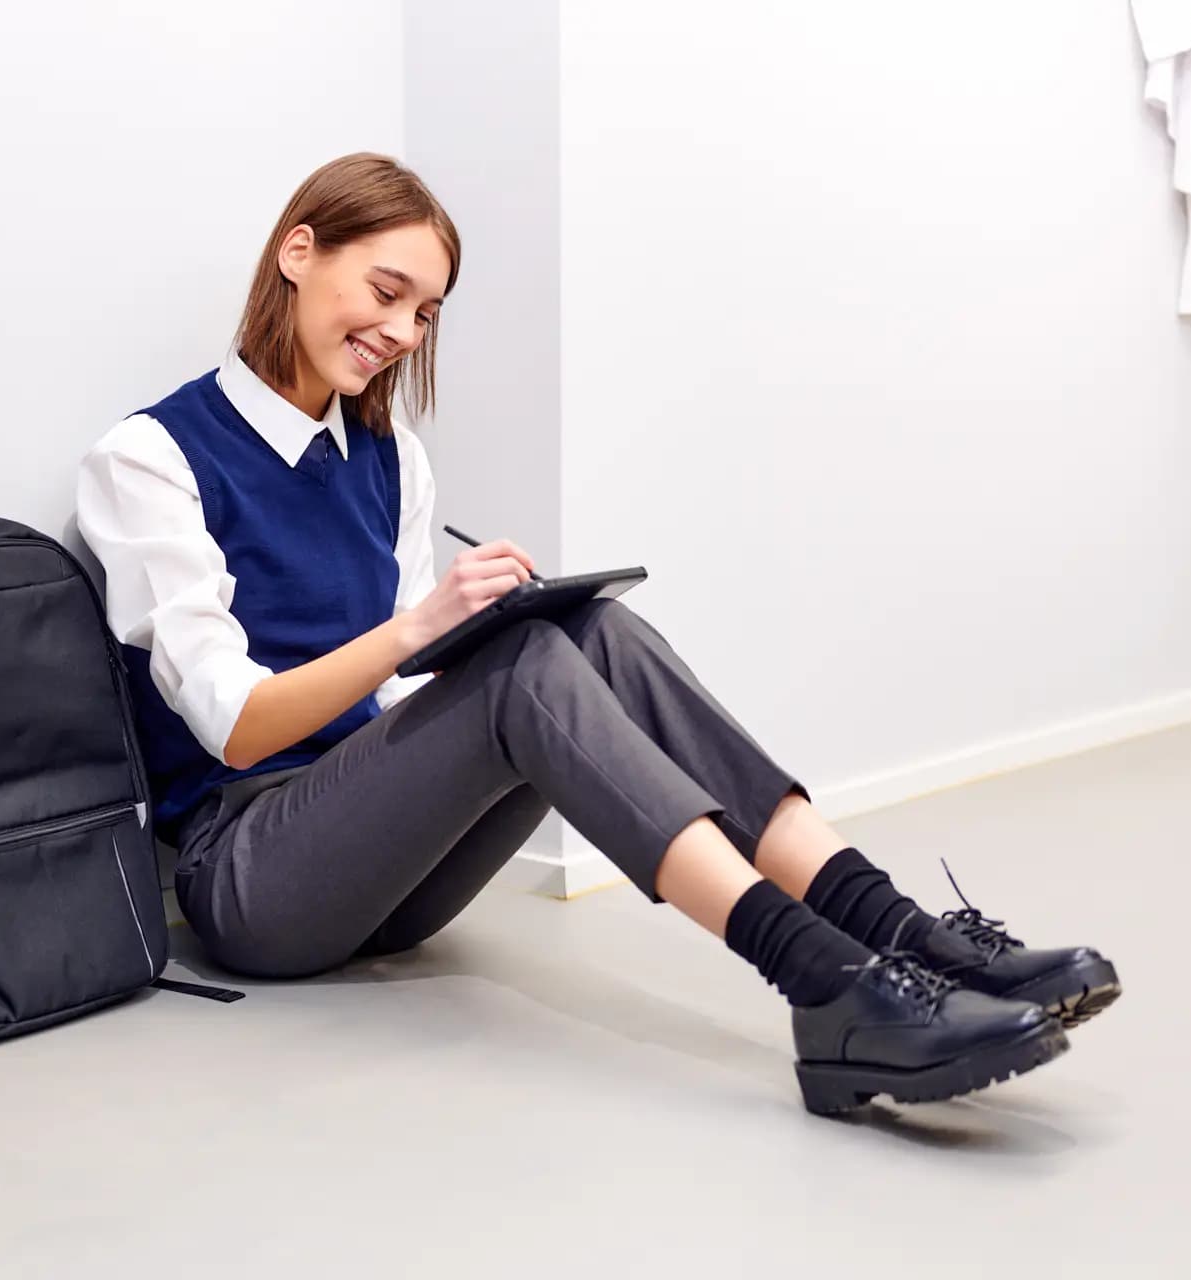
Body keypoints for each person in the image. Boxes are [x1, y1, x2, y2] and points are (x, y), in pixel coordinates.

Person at [74, 153, 1121, 1115]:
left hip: (380, 871)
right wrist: (425, 627)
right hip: (251, 878)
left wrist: (470, 634)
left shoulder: (390, 456)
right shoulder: (152, 456)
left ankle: (902, 933)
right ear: (299, 251)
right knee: (525, 663)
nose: (402, 332)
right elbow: (240, 728)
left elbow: (393, 716)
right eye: (387, 293)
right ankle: (825, 980)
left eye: (426, 313)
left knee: (590, 632)